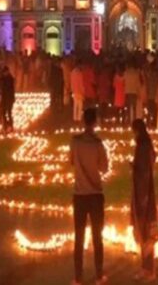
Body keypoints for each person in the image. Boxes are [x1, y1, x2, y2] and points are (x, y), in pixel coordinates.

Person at [70, 107, 109, 285]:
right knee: (97, 236)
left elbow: (70, 161)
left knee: (79, 237)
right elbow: (104, 168)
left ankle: (78, 277)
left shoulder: (75, 142)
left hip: (79, 194)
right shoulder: (98, 144)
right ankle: (99, 275)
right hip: (95, 194)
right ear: (95, 122)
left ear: (83, 121)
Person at [131, 119, 158, 282]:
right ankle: (147, 267)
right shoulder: (147, 144)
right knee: (146, 230)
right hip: (147, 191)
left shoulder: (142, 146)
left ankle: (148, 269)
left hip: (143, 194)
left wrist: (134, 168)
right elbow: (152, 160)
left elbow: (141, 170)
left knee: (145, 230)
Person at [0, 66, 16, 133]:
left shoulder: (10, 79)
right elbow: (0, 87)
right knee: (3, 113)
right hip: (4, 99)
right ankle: (5, 126)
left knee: (9, 113)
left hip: (8, 98)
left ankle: (10, 126)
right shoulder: (2, 79)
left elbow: (11, 89)